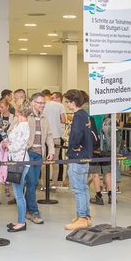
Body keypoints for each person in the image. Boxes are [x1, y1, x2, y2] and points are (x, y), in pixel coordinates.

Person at [9, 92, 54, 224]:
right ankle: (34, 212)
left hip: (39, 154)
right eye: (40, 103)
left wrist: (51, 150)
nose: (42, 105)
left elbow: (49, 135)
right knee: (32, 181)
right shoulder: (24, 116)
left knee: (32, 183)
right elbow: (11, 130)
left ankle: (28, 210)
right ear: (33, 103)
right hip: (27, 154)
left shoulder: (45, 117)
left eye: (43, 103)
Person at [63, 90, 93, 230]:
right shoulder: (85, 115)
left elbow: (76, 134)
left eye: (67, 102)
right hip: (85, 156)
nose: (66, 104)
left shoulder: (78, 116)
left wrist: (73, 146)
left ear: (73, 102)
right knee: (84, 187)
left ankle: (82, 217)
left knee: (78, 189)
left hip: (77, 157)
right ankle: (85, 216)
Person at [2, 100, 32, 232]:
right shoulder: (20, 125)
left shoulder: (24, 126)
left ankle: (21, 222)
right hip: (16, 161)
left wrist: (7, 145)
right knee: (18, 193)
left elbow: (18, 146)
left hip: (20, 163)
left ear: (19, 112)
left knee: (19, 194)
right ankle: (20, 219)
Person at [43, 91, 66, 189]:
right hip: (56, 136)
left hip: (44, 137)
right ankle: (54, 185)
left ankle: (44, 185)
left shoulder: (42, 106)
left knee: (44, 162)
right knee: (55, 161)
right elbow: (64, 120)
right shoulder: (60, 105)